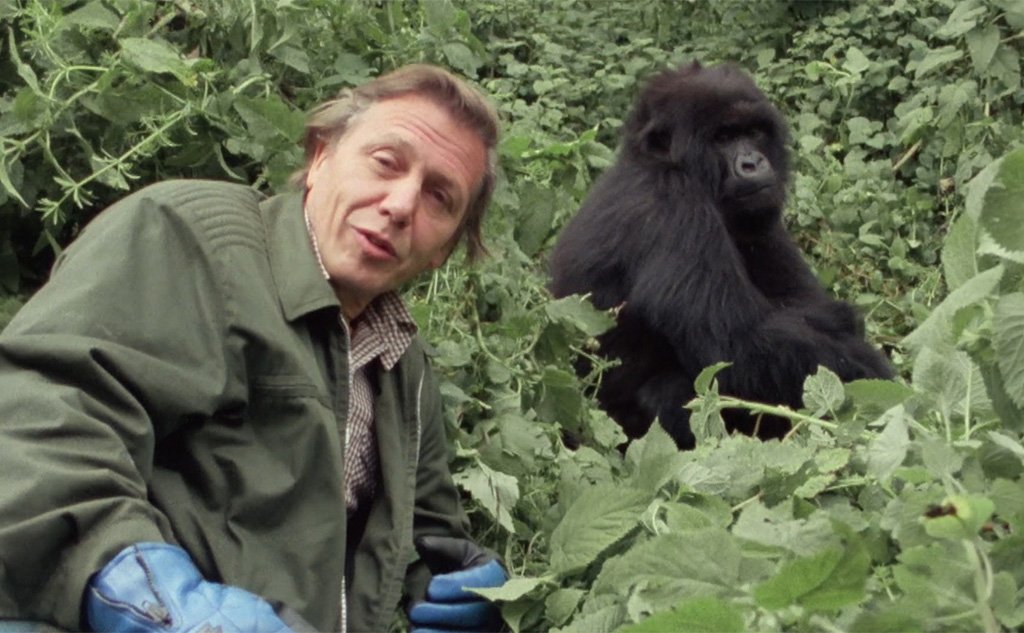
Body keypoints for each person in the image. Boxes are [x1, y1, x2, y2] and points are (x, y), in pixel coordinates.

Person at [0, 64, 508, 633]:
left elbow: (424, 535)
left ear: (444, 250)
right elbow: (34, 415)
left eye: (439, 197)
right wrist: (143, 590)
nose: (401, 204)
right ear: (320, 157)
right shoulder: (192, 238)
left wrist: (467, 585)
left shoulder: (404, 370)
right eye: (386, 162)